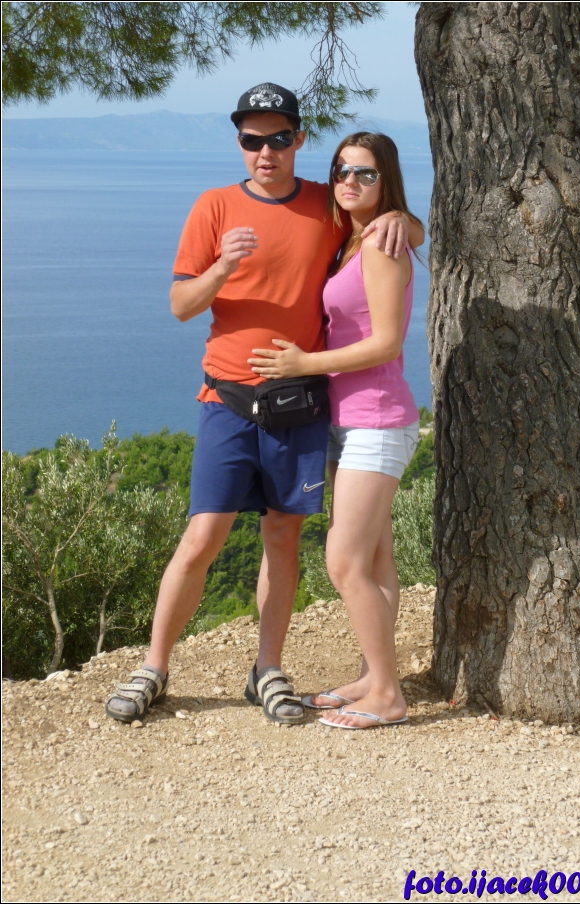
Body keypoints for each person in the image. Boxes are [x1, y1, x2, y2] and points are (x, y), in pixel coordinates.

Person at [105, 84, 423, 727]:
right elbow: (181, 305)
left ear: (298, 140)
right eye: (252, 140)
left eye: (279, 138)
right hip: (227, 399)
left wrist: (408, 221)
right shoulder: (214, 206)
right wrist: (222, 267)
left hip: (301, 405)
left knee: (283, 536)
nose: (266, 151)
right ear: (240, 144)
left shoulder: (324, 203)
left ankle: (268, 669)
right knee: (203, 536)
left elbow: (381, 222)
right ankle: (153, 668)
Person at [247, 132, 423, 729]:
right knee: (374, 559)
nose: (349, 181)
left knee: (344, 562)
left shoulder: (379, 243)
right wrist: (406, 220)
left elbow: (386, 343)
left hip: (377, 418)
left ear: (386, 180)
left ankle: (389, 697)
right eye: (342, 170)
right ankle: (375, 677)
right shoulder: (358, 236)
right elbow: (411, 229)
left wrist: (303, 363)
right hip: (348, 420)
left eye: (365, 174)